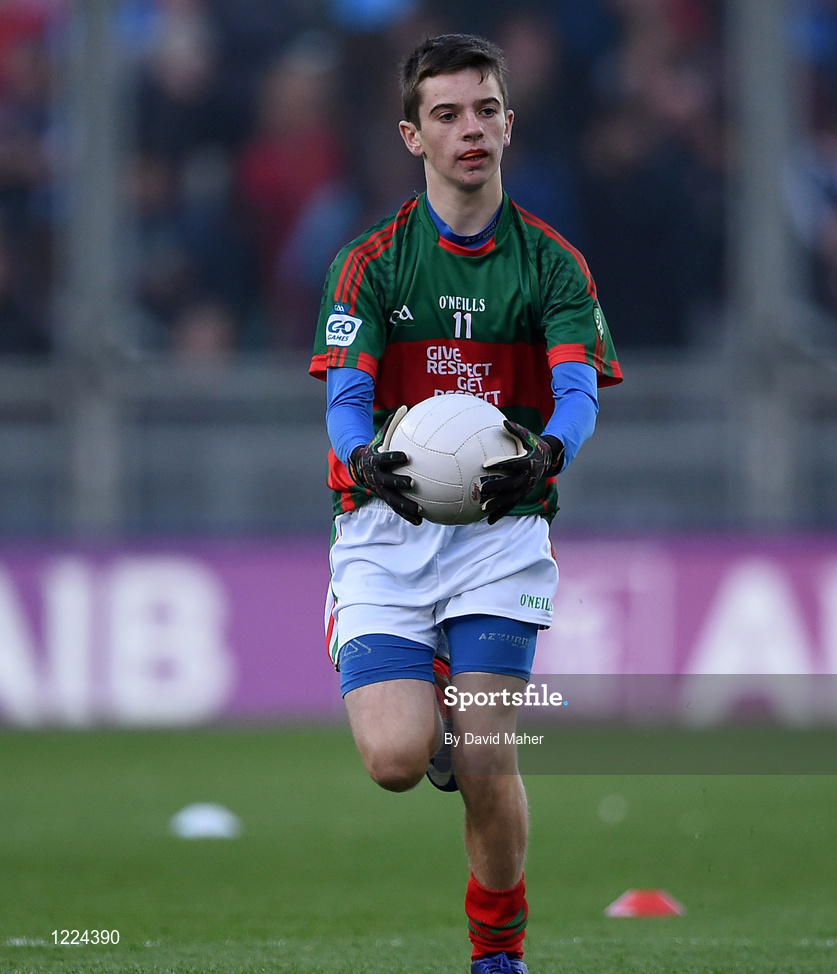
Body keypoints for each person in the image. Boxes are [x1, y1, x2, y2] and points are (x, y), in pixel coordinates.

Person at [309, 33, 621, 974]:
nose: (469, 130)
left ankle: (498, 957)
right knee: (398, 761)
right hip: (385, 527)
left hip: (500, 532)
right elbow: (345, 396)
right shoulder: (372, 262)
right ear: (413, 135)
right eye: (446, 115)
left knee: (487, 754)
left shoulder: (554, 266)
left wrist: (552, 453)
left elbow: (577, 390)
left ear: (509, 123)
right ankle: (393, 670)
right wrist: (360, 459)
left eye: (484, 110)